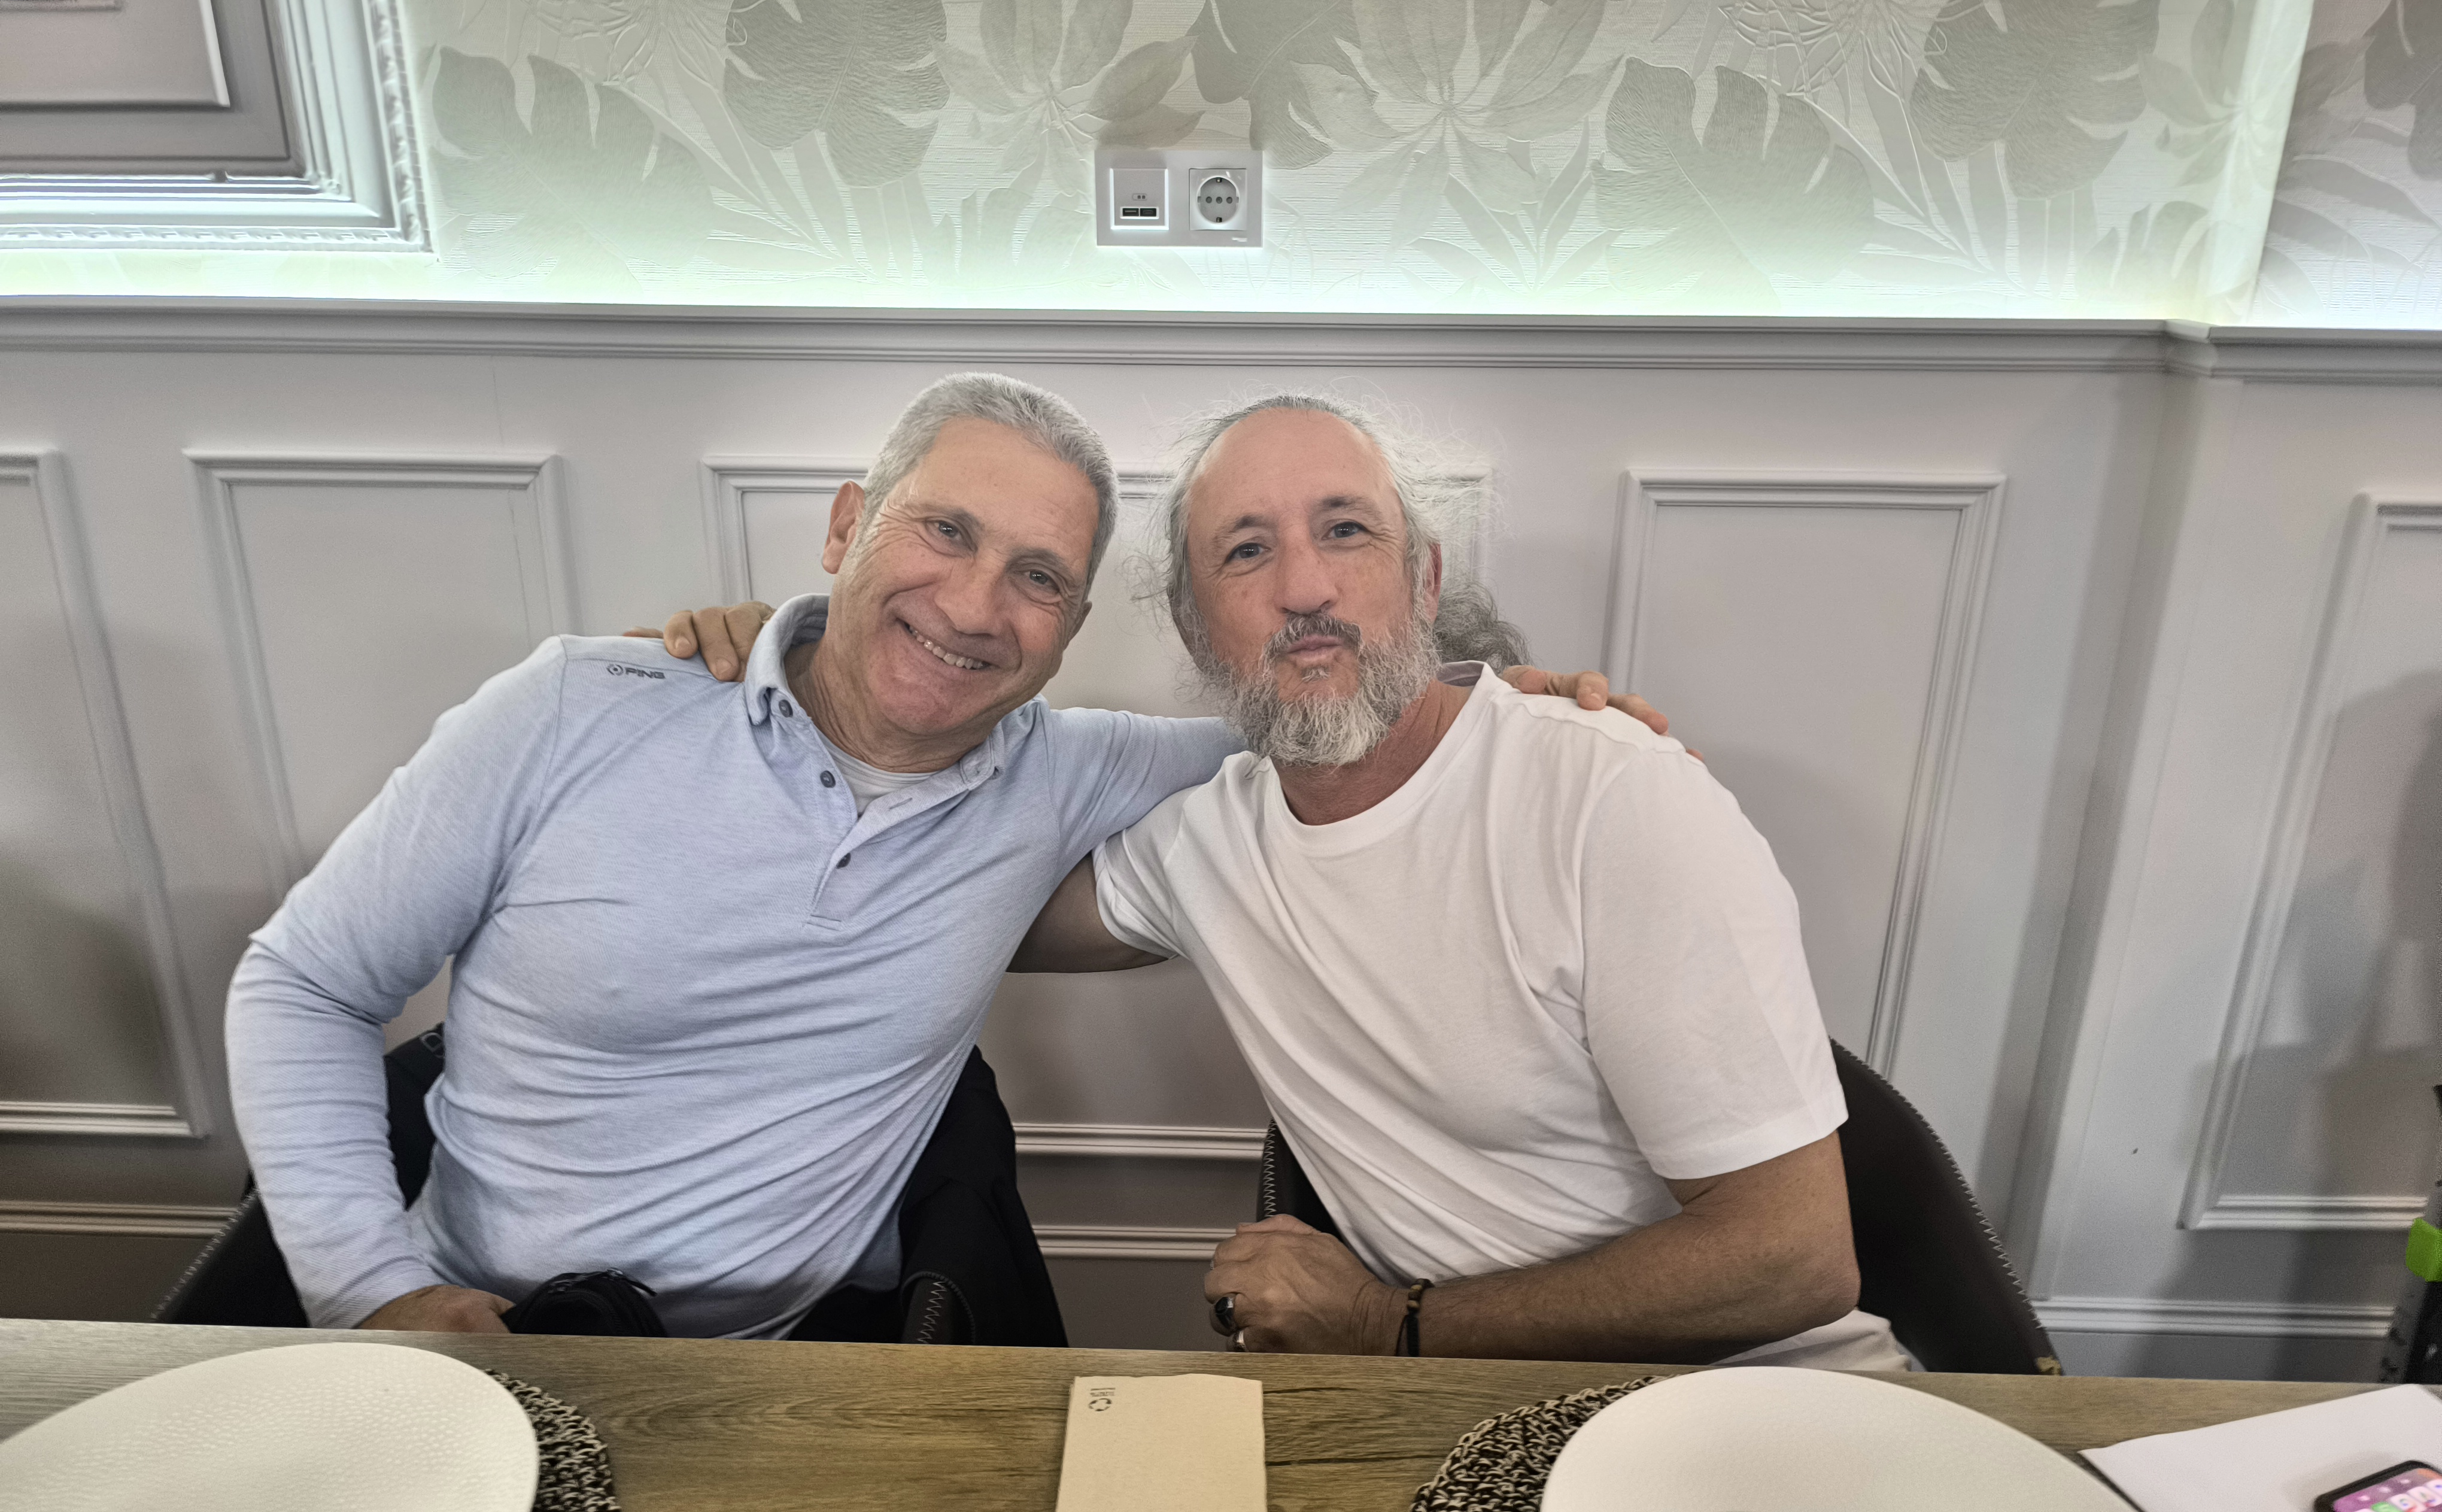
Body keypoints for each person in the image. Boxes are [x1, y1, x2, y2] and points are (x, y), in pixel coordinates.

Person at [224, 373, 1645, 1340]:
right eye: (942, 533)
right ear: (848, 526)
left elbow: (1341, 725)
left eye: (1038, 578)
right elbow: (305, 983)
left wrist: (1511, 708)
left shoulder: (1070, 772)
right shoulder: (575, 708)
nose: (974, 605)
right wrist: (372, 1294)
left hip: (804, 1368)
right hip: (482, 1333)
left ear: (1071, 628)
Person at [1011, 394, 1902, 1368]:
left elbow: (1793, 1260)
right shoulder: (1203, 841)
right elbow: (974, 914)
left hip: (1770, 1398)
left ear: (1425, 580)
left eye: (1346, 531)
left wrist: (1386, 1324)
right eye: (1248, 550)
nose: (1305, 588)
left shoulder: (1612, 794)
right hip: (1467, 1410)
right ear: (1194, 628)